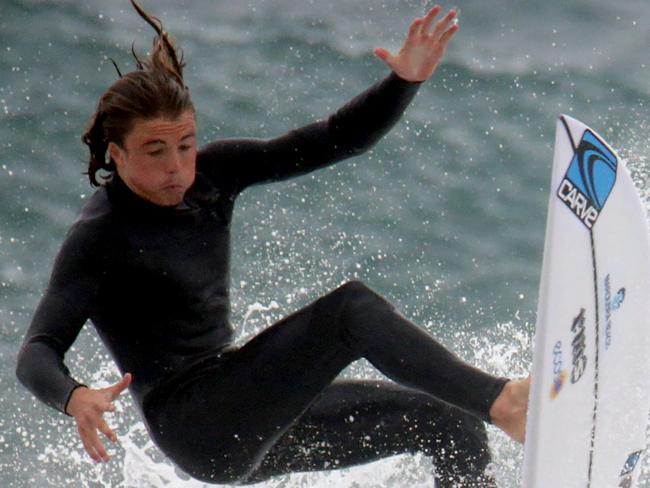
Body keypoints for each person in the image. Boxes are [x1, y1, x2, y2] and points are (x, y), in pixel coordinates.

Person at [16, 1, 529, 486]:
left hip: (249, 414)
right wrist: (75, 396)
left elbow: (334, 137)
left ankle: (490, 413)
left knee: (447, 418)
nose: (176, 168)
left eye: (185, 146)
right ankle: (505, 401)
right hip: (199, 428)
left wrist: (404, 81)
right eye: (155, 151)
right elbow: (37, 351)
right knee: (349, 312)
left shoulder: (212, 176)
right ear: (118, 154)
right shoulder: (100, 235)